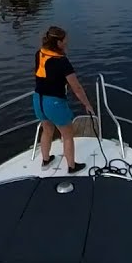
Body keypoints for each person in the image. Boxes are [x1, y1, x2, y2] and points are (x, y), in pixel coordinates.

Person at [33, 25, 94, 174]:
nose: (67, 42)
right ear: (58, 42)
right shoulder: (62, 62)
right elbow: (76, 87)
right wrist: (87, 104)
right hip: (54, 103)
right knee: (67, 135)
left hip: (38, 99)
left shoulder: (39, 54)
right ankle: (72, 167)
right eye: (65, 40)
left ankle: (46, 159)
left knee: (46, 130)